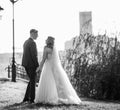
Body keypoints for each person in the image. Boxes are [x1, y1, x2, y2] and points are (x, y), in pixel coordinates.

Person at [35, 36, 81, 104]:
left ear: (48, 41)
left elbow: (44, 59)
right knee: (58, 83)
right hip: (55, 67)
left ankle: (48, 98)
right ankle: (64, 97)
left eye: (46, 39)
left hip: (48, 67)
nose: (45, 40)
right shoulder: (54, 48)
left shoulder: (46, 48)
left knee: (48, 82)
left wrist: (39, 68)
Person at [22, 29, 39, 103]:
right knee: (33, 81)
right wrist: (37, 65)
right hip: (31, 65)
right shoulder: (32, 43)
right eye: (36, 34)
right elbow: (34, 55)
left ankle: (26, 98)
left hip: (26, 64)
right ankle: (32, 99)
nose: (37, 36)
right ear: (32, 33)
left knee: (31, 81)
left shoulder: (25, 42)